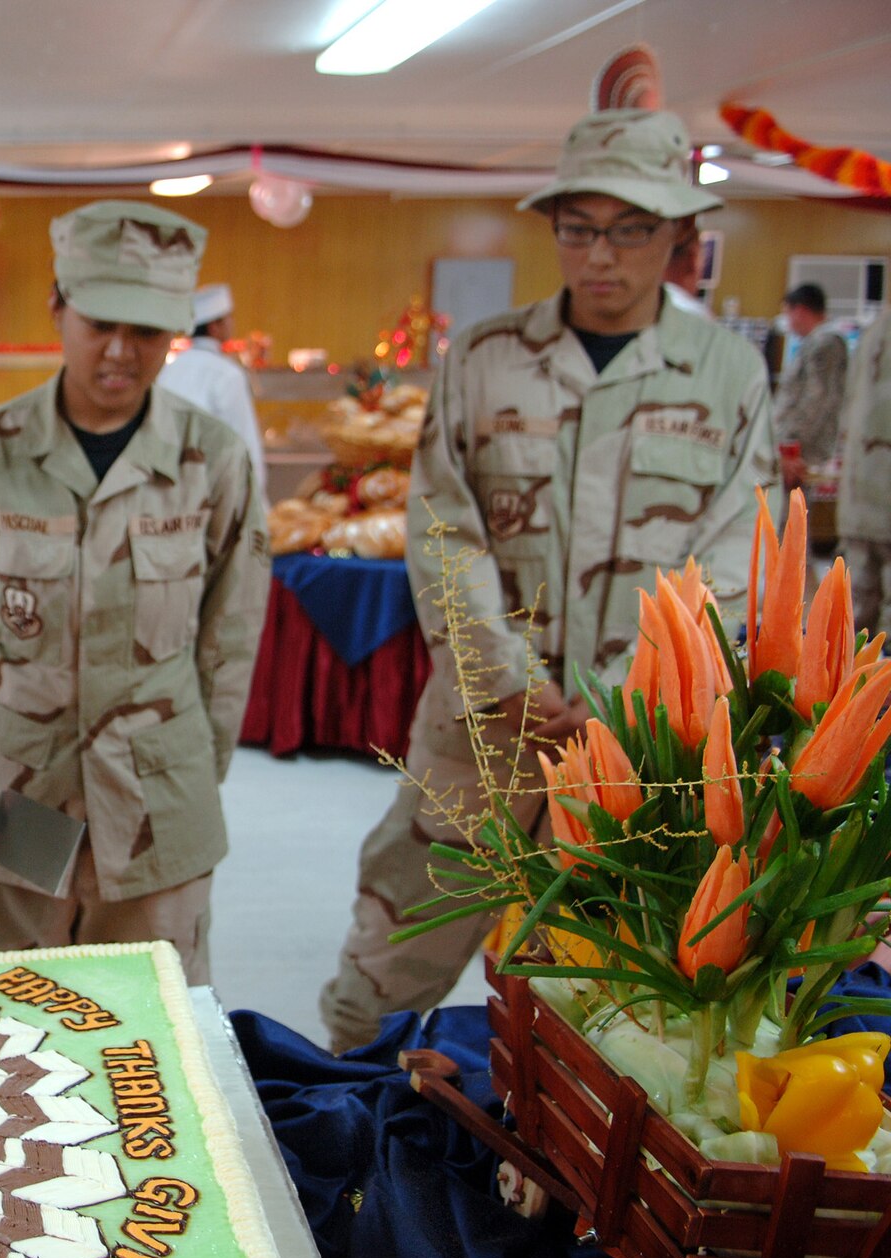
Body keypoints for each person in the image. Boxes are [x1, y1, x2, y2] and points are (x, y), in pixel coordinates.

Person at [318, 108, 776, 1052]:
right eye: (579, 228)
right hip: (482, 739)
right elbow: (443, 527)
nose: (601, 255)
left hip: (637, 754)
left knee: (608, 1010)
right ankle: (336, 1163)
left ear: (680, 238)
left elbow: (735, 556)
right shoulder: (485, 361)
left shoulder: (727, 373)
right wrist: (506, 677)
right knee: (379, 987)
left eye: (632, 229)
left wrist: (623, 695)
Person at [0, 201, 270, 985]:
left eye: (147, 331)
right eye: (99, 322)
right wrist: (0, 728)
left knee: (149, 1044)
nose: (120, 352)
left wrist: (185, 769)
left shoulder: (212, 458)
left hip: (158, 807)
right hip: (6, 796)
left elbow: (229, 635)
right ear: (58, 307)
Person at [156, 283, 266, 485]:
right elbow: (245, 442)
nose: (233, 323)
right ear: (215, 326)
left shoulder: (168, 369)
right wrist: (255, 491)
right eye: (228, 318)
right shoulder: (227, 374)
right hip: (216, 488)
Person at [837, 311, 891, 634]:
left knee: (856, 610)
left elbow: (846, 413)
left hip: (859, 491)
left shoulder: (873, 330)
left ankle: (852, 682)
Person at [775, 283, 849, 489]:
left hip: (803, 454)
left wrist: (791, 445)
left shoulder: (825, 344)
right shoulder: (813, 343)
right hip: (797, 450)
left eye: (787, 313)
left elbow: (816, 400)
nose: (787, 322)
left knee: (794, 516)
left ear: (799, 311)